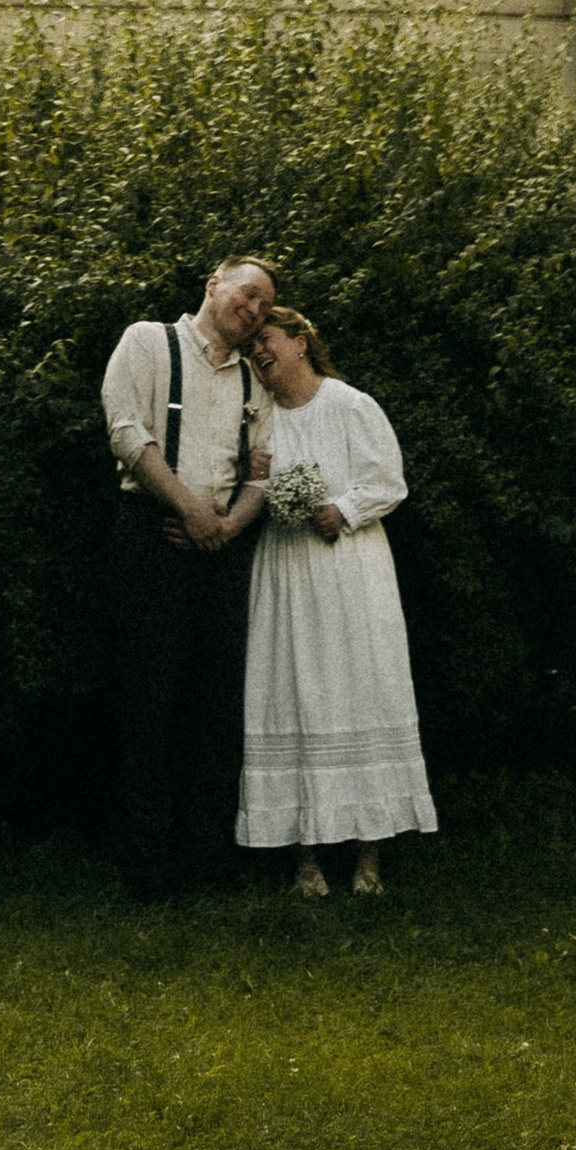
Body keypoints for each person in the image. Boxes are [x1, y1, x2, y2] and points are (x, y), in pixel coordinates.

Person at [239, 302, 437, 897]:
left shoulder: (350, 404)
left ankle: (368, 859)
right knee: (293, 692)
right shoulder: (255, 417)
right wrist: (251, 476)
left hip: (350, 567)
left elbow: (388, 480)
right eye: (251, 347)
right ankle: (305, 860)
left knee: (360, 689)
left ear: (301, 342)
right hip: (285, 568)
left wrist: (343, 509)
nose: (259, 352)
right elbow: (241, 489)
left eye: (267, 339)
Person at [99, 255, 279, 899]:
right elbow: (127, 433)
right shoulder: (148, 342)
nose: (254, 310)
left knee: (217, 707)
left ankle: (210, 865)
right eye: (247, 294)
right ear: (214, 284)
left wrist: (225, 528)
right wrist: (189, 510)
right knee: (149, 704)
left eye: (265, 306)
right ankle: (149, 872)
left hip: (223, 548)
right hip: (153, 535)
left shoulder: (253, 381)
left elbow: (262, 472)